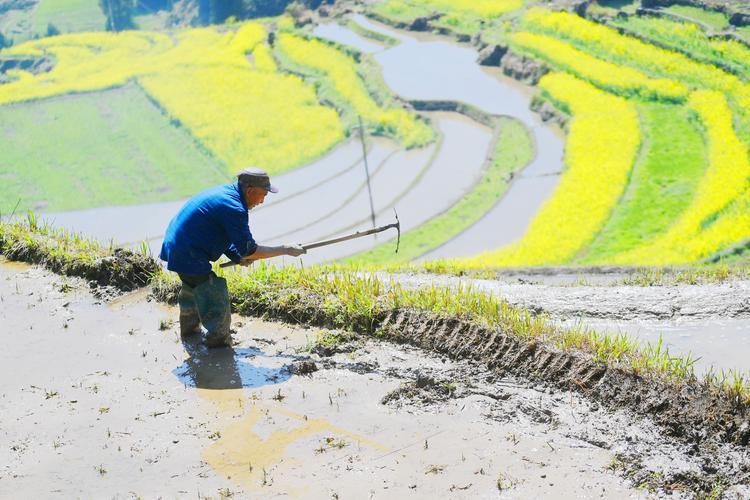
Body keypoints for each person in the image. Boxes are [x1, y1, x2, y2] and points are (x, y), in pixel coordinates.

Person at [160, 167, 305, 348]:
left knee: (192, 290)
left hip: (178, 245)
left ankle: (190, 334)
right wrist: (285, 249)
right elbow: (250, 249)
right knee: (213, 293)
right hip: (188, 252)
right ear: (250, 191)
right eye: (263, 195)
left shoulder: (226, 194)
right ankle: (219, 345)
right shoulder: (234, 207)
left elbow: (221, 233)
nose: (262, 201)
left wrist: (237, 256)